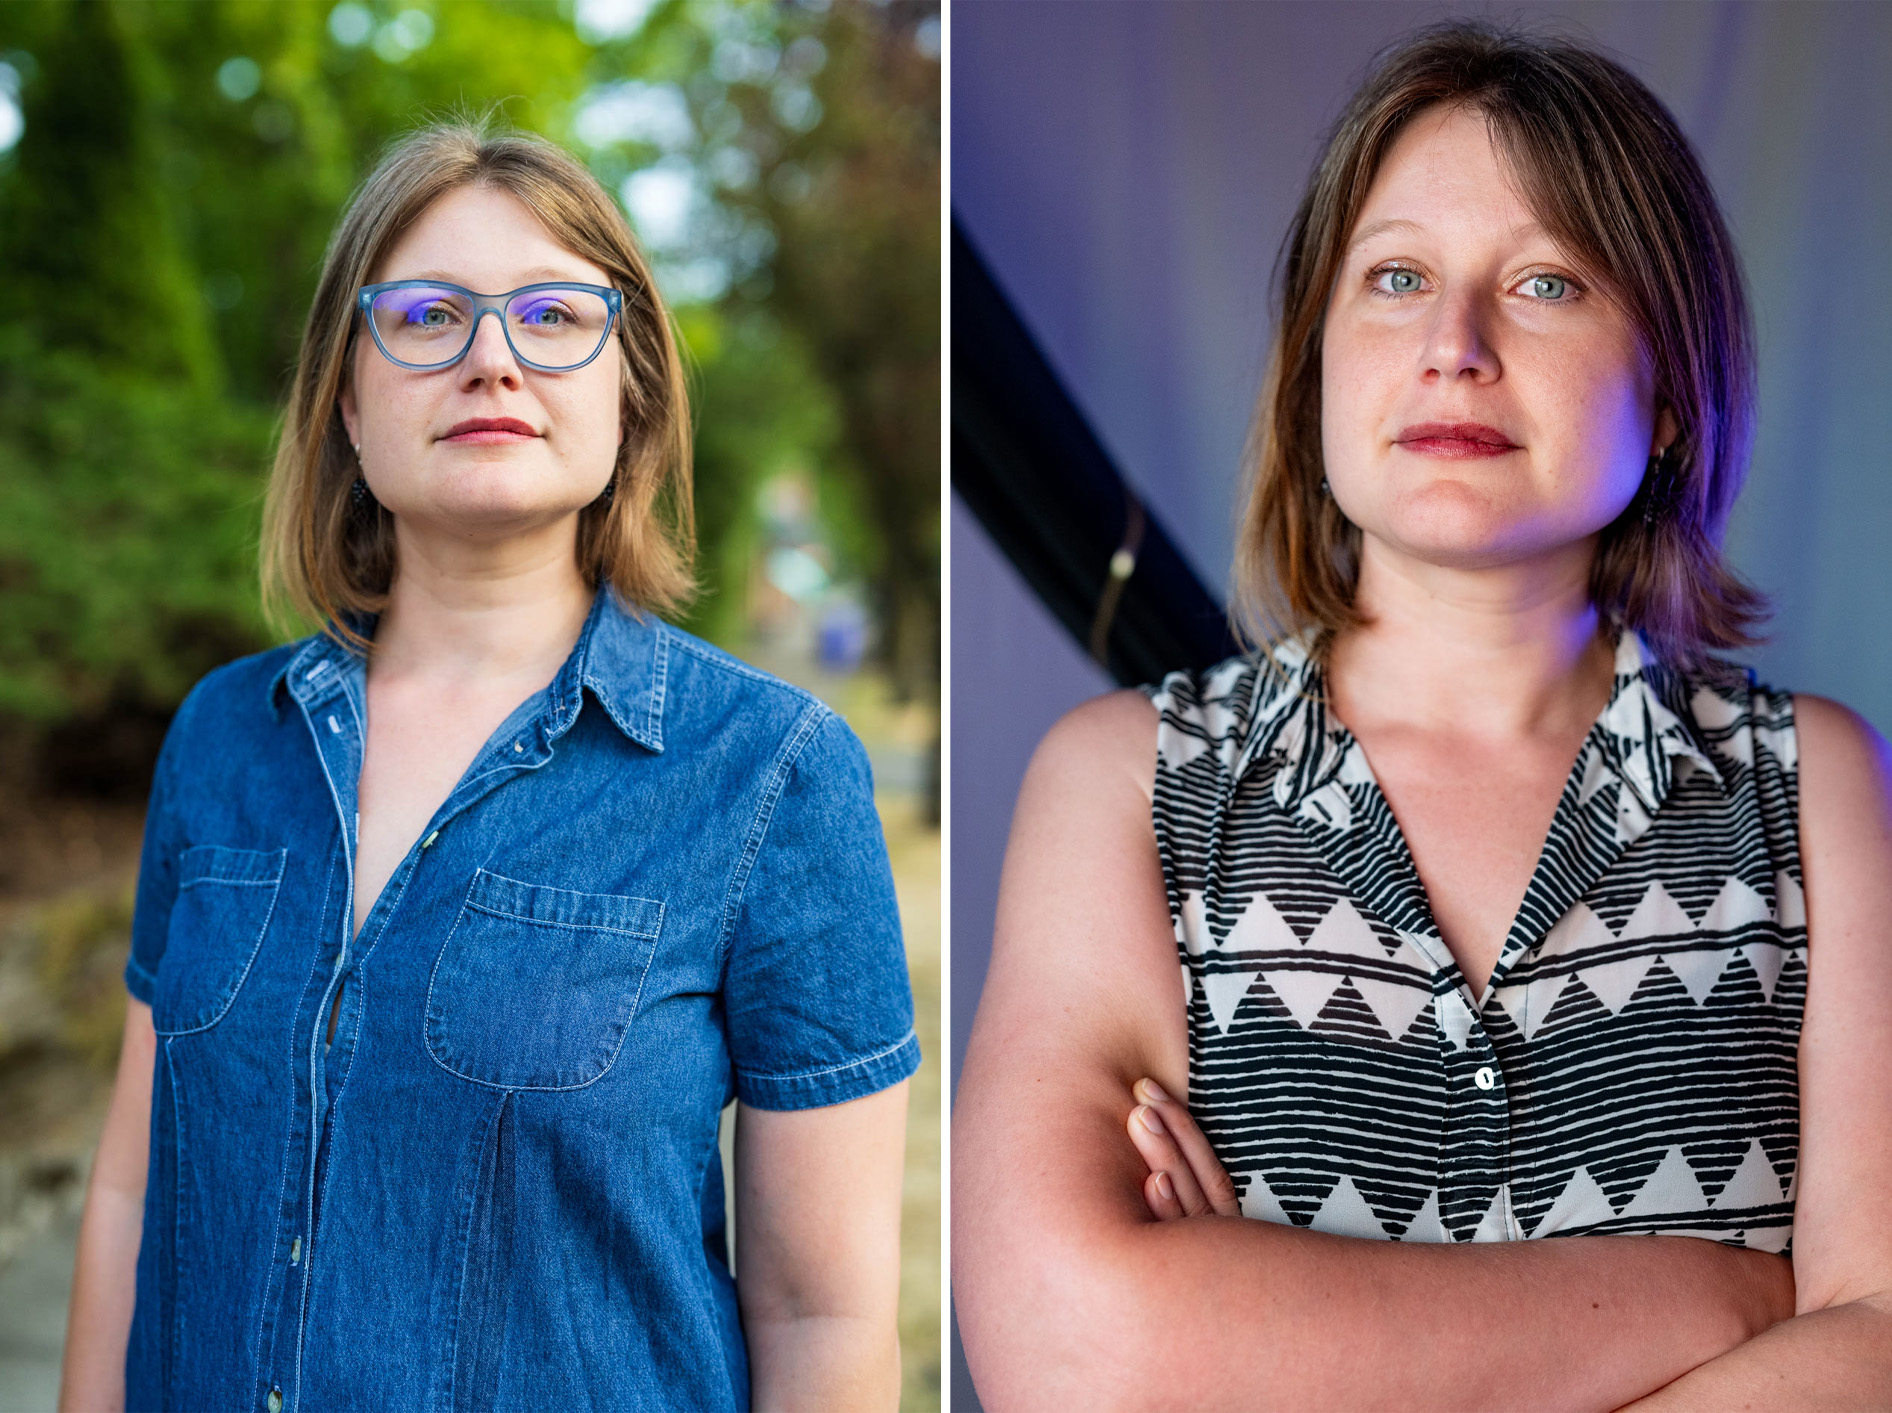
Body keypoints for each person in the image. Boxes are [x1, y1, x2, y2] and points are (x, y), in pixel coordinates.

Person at [954, 23, 1891, 1410]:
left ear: (1675, 395)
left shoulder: (1812, 780)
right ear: (1317, 365)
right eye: (1395, 277)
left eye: (1546, 282)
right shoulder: (1122, 781)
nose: (1454, 345)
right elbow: (1081, 1353)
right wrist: (1721, 1300)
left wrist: (1268, 1336)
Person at [60, 120, 918, 1413]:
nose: (491, 358)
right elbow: (134, 1191)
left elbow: (826, 1311)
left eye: (555, 314)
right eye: (425, 314)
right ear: (348, 398)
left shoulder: (773, 776)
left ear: (626, 387)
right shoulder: (224, 738)